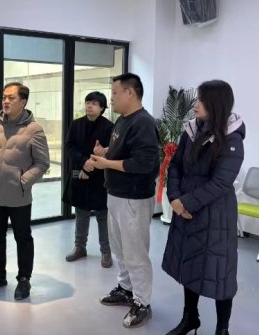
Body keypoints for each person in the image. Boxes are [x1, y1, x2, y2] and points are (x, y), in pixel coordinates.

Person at [162, 80, 245, 335]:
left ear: (215, 103)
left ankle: (222, 329)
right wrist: (174, 198)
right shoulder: (191, 131)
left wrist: (184, 202)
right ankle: (190, 318)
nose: (195, 104)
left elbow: (221, 183)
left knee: (220, 272)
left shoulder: (231, 138)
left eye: (201, 100)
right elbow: (176, 165)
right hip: (186, 210)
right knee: (190, 264)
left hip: (215, 215)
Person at [89, 73, 160, 329]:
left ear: (130, 93)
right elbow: (125, 152)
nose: (111, 98)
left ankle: (142, 302)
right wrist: (106, 153)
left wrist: (106, 163)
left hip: (134, 198)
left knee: (135, 252)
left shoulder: (144, 123)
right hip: (116, 194)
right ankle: (125, 289)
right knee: (120, 249)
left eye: (115, 93)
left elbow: (144, 163)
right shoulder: (123, 120)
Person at [0, 82, 50, 301]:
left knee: (23, 237)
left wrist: (23, 181)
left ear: (23, 101)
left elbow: (42, 163)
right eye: (4, 97)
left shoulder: (34, 129)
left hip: (18, 194)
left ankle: (24, 279)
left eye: (11, 98)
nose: (6, 101)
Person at [62, 92, 114, 268]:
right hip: (80, 173)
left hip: (100, 176)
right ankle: (80, 247)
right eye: (87, 102)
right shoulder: (76, 124)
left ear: (102, 107)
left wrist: (91, 164)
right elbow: (69, 146)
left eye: (94, 103)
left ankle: (106, 251)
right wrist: (83, 163)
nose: (89, 106)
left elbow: (111, 150)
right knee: (81, 212)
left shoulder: (109, 127)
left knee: (102, 214)